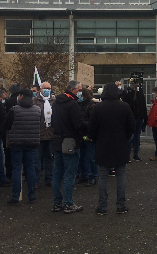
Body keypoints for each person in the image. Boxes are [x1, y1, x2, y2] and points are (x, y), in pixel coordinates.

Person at [87, 83, 135, 215]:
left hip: (103, 144)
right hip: (120, 144)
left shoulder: (98, 107)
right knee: (121, 175)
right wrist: (125, 137)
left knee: (102, 176)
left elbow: (91, 128)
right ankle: (121, 205)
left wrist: (96, 139)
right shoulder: (124, 106)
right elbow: (131, 126)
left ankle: (102, 206)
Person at [51, 80, 87, 214]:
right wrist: (87, 127)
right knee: (69, 174)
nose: (80, 93)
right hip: (70, 141)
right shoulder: (73, 105)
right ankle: (68, 203)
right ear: (72, 90)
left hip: (57, 141)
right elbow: (77, 125)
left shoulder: (56, 103)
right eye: (79, 90)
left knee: (57, 174)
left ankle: (57, 202)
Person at [4, 88, 41, 205]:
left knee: (17, 169)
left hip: (17, 143)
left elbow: (7, 125)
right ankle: (32, 196)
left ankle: (16, 196)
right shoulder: (37, 110)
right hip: (32, 142)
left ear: (20, 96)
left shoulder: (14, 110)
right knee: (30, 168)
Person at [33, 81, 55, 187]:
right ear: (40, 89)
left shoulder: (54, 101)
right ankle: (36, 180)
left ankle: (49, 179)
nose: (47, 90)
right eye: (45, 88)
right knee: (37, 159)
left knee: (50, 158)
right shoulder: (35, 101)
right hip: (39, 134)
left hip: (50, 134)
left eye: (49, 88)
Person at [121, 80, 148, 162]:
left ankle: (130, 155)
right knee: (134, 137)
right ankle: (133, 155)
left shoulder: (131, 95)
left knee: (133, 137)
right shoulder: (133, 95)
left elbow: (143, 107)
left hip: (135, 118)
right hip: (136, 118)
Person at [78, 88, 98, 186]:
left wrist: (82, 124)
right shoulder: (80, 104)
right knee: (82, 157)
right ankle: (85, 175)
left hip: (89, 135)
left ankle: (93, 176)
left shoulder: (91, 106)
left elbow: (93, 122)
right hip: (81, 135)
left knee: (91, 157)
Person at [3, 83, 21, 182]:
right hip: (21, 131)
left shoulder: (8, 102)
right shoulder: (20, 102)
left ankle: (9, 174)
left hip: (10, 132)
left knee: (8, 153)